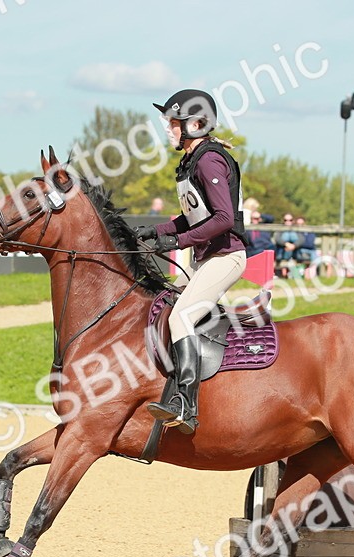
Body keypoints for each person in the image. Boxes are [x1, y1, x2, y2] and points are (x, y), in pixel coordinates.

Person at [134, 89, 248, 435]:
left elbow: (224, 219)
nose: (169, 129)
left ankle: (185, 404)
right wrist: (157, 232)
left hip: (226, 256)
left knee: (182, 318)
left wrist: (177, 241)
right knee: (168, 307)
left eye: (174, 123)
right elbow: (194, 217)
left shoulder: (208, 160)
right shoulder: (191, 160)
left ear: (197, 124)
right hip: (209, 257)